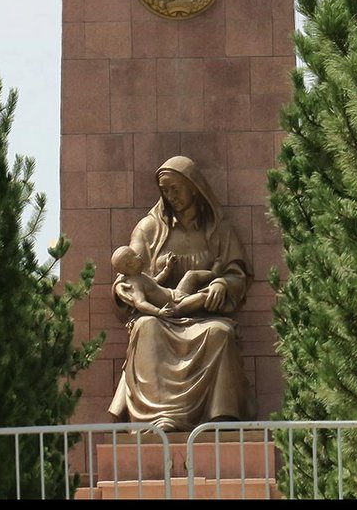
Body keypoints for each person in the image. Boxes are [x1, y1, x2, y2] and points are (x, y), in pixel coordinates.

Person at [108, 155, 255, 431]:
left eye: (175, 188)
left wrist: (222, 285)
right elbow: (128, 273)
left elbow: (237, 273)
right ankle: (158, 418)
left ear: (194, 187)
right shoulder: (149, 228)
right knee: (146, 326)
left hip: (202, 316)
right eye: (164, 189)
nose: (169, 195)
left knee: (219, 332)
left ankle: (220, 416)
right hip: (161, 314)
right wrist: (122, 290)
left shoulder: (218, 230)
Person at [108, 244, 221, 317]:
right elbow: (140, 303)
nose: (140, 255)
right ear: (130, 263)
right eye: (135, 255)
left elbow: (156, 281)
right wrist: (158, 312)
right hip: (175, 306)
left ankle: (214, 274)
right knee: (202, 297)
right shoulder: (134, 285)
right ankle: (212, 301)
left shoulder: (140, 276)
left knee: (191, 275)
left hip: (176, 294)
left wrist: (167, 268)